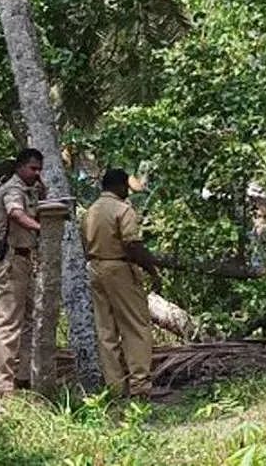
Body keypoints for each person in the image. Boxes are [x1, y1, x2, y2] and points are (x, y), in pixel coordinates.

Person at [81, 168, 161, 400]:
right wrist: (151, 270)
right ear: (118, 186)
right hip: (119, 268)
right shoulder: (122, 210)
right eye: (125, 186)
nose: (127, 191)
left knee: (106, 330)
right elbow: (132, 244)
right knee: (135, 326)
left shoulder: (91, 211)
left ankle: (115, 387)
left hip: (95, 268)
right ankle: (140, 385)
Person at [0, 148, 46, 395]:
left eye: (39, 169)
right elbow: (15, 213)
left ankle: (22, 376)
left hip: (24, 260)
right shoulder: (13, 189)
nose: (37, 173)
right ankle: (0, 384)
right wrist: (41, 228)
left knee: (30, 318)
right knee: (8, 321)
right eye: (33, 168)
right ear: (20, 167)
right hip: (11, 259)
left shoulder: (30, 189)